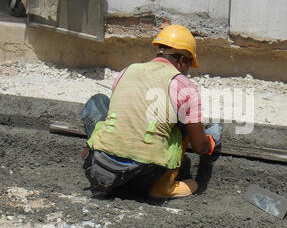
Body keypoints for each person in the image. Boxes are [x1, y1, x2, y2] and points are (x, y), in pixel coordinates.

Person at [81, 24, 222, 199]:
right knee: (183, 124)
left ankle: (101, 158)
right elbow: (200, 147)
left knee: (98, 102)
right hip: (146, 174)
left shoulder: (127, 71)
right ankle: (164, 186)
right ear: (182, 61)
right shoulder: (184, 86)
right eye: (188, 66)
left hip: (104, 165)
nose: (186, 71)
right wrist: (211, 141)